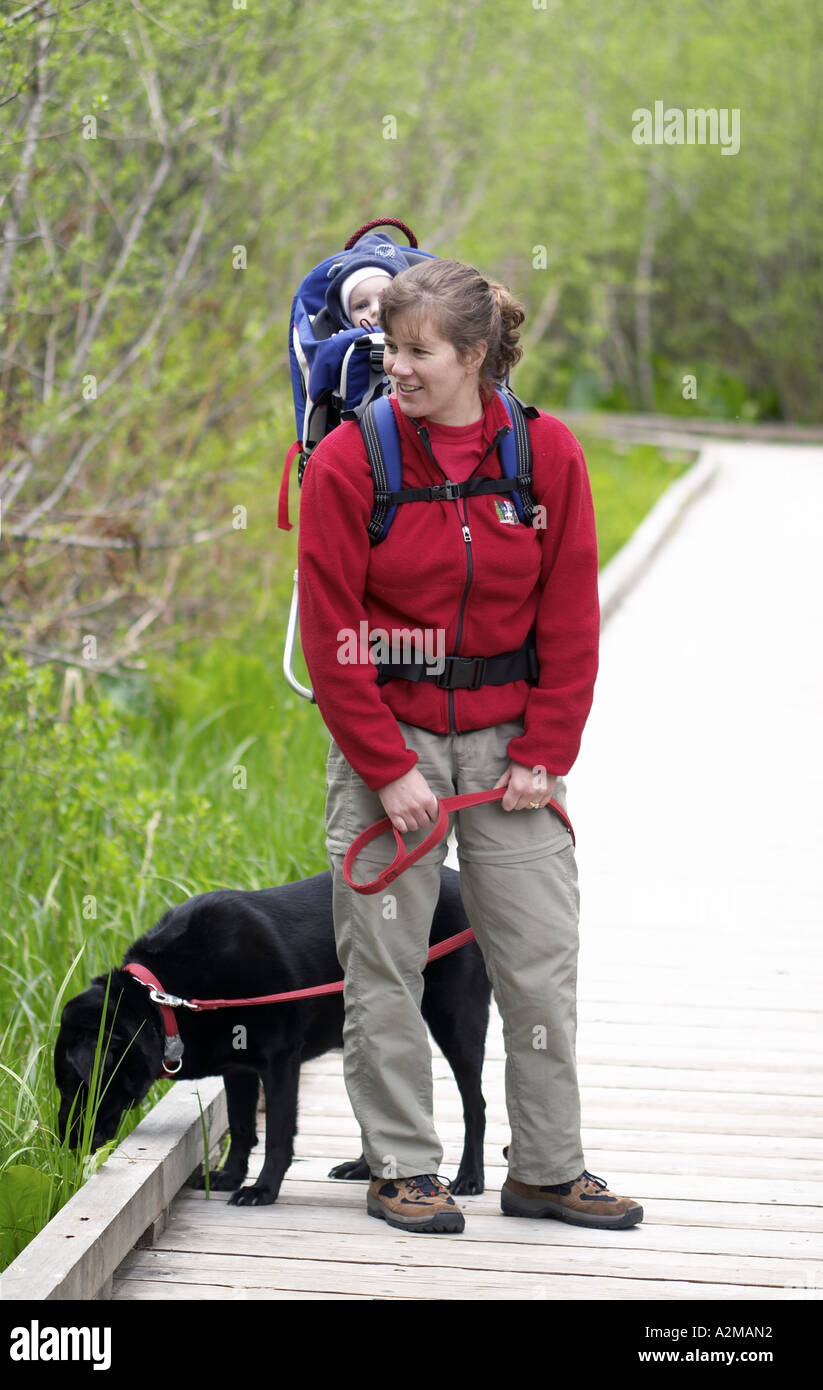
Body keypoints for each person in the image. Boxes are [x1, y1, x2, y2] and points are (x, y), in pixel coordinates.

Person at [297, 257, 643, 1235]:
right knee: (384, 965)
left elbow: (570, 615)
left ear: (475, 356)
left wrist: (545, 747)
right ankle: (401, 1164)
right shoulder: (349, 462)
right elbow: (332, 636)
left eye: (417, 352)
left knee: (538, 959)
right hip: (390, 737)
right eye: (387, 348)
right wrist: (386, 767)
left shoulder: (547, 457)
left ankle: (545, 1167)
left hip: (510, 750)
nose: (394, 367)